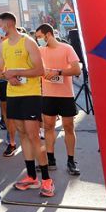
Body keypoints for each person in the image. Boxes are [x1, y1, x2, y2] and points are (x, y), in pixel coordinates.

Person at [0, 12, 53, 197]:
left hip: (30, 94)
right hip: (13, 94)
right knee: (22, 134)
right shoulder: (3, 45)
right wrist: (8, 76)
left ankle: (46, 180)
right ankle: (31, 177)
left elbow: (40, 70)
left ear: (8, 24)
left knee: (33, 136)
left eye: (0, 24)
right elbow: (0, 71)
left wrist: (16, 72)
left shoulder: (28, 41)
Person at [35, 25, 82, 177]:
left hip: (66, 95)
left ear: (48, 35)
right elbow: (35, 69)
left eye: (40, 36)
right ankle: (50, 159)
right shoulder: (40, 50)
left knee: (68, 127)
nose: (39, 40)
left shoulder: (66, 48)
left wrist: (58, 72)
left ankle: (71, 160)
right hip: (48, 95)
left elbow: (77, 70)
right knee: (48, 127)